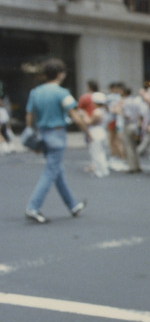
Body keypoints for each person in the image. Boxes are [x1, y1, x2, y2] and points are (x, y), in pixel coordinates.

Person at [24, 58, 88, 223]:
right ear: (60, 74)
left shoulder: (35, 92)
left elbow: (29, 115)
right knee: (51, 172)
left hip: (43, 134)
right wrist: (88, 133)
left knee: (57, 171)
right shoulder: (62, 93)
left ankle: (73, 205)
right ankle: (33, 207)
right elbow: (75, 116)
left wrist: (31, 138)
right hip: (57, 134)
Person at [86, 92, 110, 178]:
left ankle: (99, 170)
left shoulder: (97, 112)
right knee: (101, 151)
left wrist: (84, 116)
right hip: (102, 131)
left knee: (96, 152)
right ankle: (103, 169)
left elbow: (90, 122)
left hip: (95, 132)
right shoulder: (104, 111)